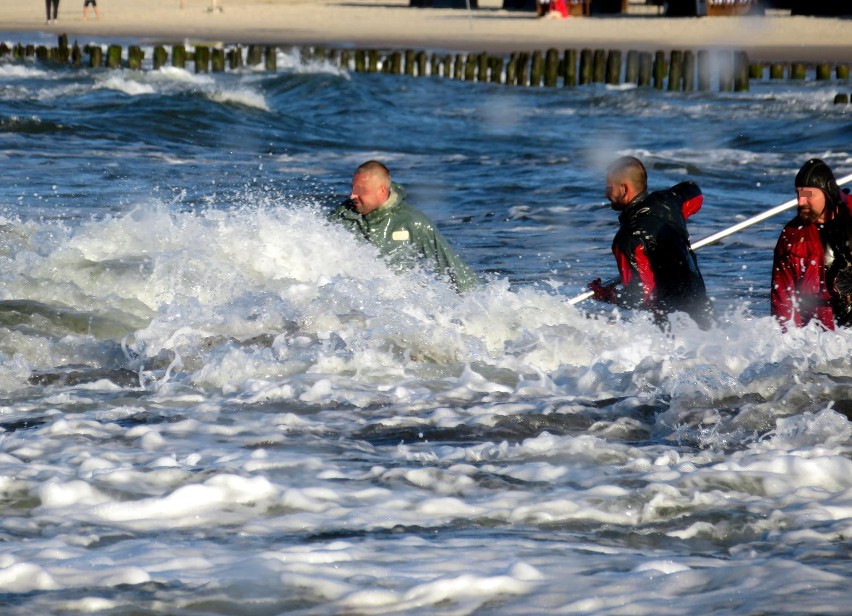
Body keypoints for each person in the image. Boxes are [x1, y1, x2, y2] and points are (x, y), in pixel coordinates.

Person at [588, 156, 713, 328]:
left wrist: (606, 295)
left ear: (624, 189)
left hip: (671, 328)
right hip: (703, 312)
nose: (606, 194)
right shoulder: (669, 202)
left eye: (609, 188)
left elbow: (639, 295)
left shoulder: (628, 238)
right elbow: (694, 193)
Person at [330, 160, 479, 292]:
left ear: (381, 191)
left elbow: (454, 269)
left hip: (396, 308)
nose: (352, 195)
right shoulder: (343, 216)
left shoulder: (413, 222)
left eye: (360, 190)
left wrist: (484, 310)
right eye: (353, 188)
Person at [770, 158, 852, 330]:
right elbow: (783, 306)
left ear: (828, 192)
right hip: (824, 340)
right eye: (798, 195)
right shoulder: (792, 237)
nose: (800, 202)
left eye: (808, 195)